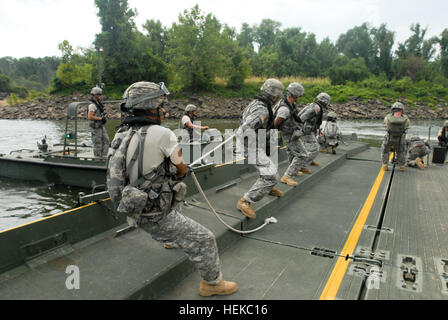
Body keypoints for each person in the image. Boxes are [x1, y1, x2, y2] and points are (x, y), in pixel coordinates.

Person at [107, 81, 237, 297]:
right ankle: (212, 284)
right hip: (154, 214)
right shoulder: (163, 133)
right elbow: (181, 167)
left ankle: (168, 239)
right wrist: (180, 170)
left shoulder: (121, 133)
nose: (164, 110)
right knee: (206, 239)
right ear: (150, 108)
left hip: (133, 206)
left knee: (176, 200)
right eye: (160, 106)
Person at [236, 78, 285, 219]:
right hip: (250, 145)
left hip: (258, 141)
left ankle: (267, 188)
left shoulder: (257, 103)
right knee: (271, 175)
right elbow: (245, 128)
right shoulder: (262, 109)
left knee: (270, 165)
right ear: (275, 96)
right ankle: (245, 201)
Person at [273, 82, 308, 187]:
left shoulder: (288, 103)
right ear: (296, 95)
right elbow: (276, 122)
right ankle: (287, 176)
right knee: (302, 155)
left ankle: (294, 170)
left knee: (292, 152)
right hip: (288, 134)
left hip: (291, 132)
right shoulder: (285, 109)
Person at [297, 92, 331, 174]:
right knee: (315, 149)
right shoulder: (316, 108)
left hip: (308, 130)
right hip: (306, 131)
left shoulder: (313, 105)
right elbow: (302, 118)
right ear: (324, 101)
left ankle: (307, 161)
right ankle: (301, 166)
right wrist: (298, 129)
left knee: (307, 148)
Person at [381, 102, 410, 171]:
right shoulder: (406, 119)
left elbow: (385, 124)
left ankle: (385, 165)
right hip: (400, 139)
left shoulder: (387, 117)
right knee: (401, 152)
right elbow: (407, 126)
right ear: (402, 110)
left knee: (385, 151)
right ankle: (401, 166)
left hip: (389, 138)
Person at [87, 87, 110, 158]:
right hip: (95, 126)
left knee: (106, 140)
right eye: (98, 94)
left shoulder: (98, 103)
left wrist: (104, 116)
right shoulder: (92, 105)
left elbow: (100, 112)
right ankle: (97, 158)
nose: (100, 96)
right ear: (94, 95)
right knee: (97, 143)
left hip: (100, 125)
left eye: (100, 94)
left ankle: (104, 156)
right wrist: (100, 118)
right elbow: (90, 117)